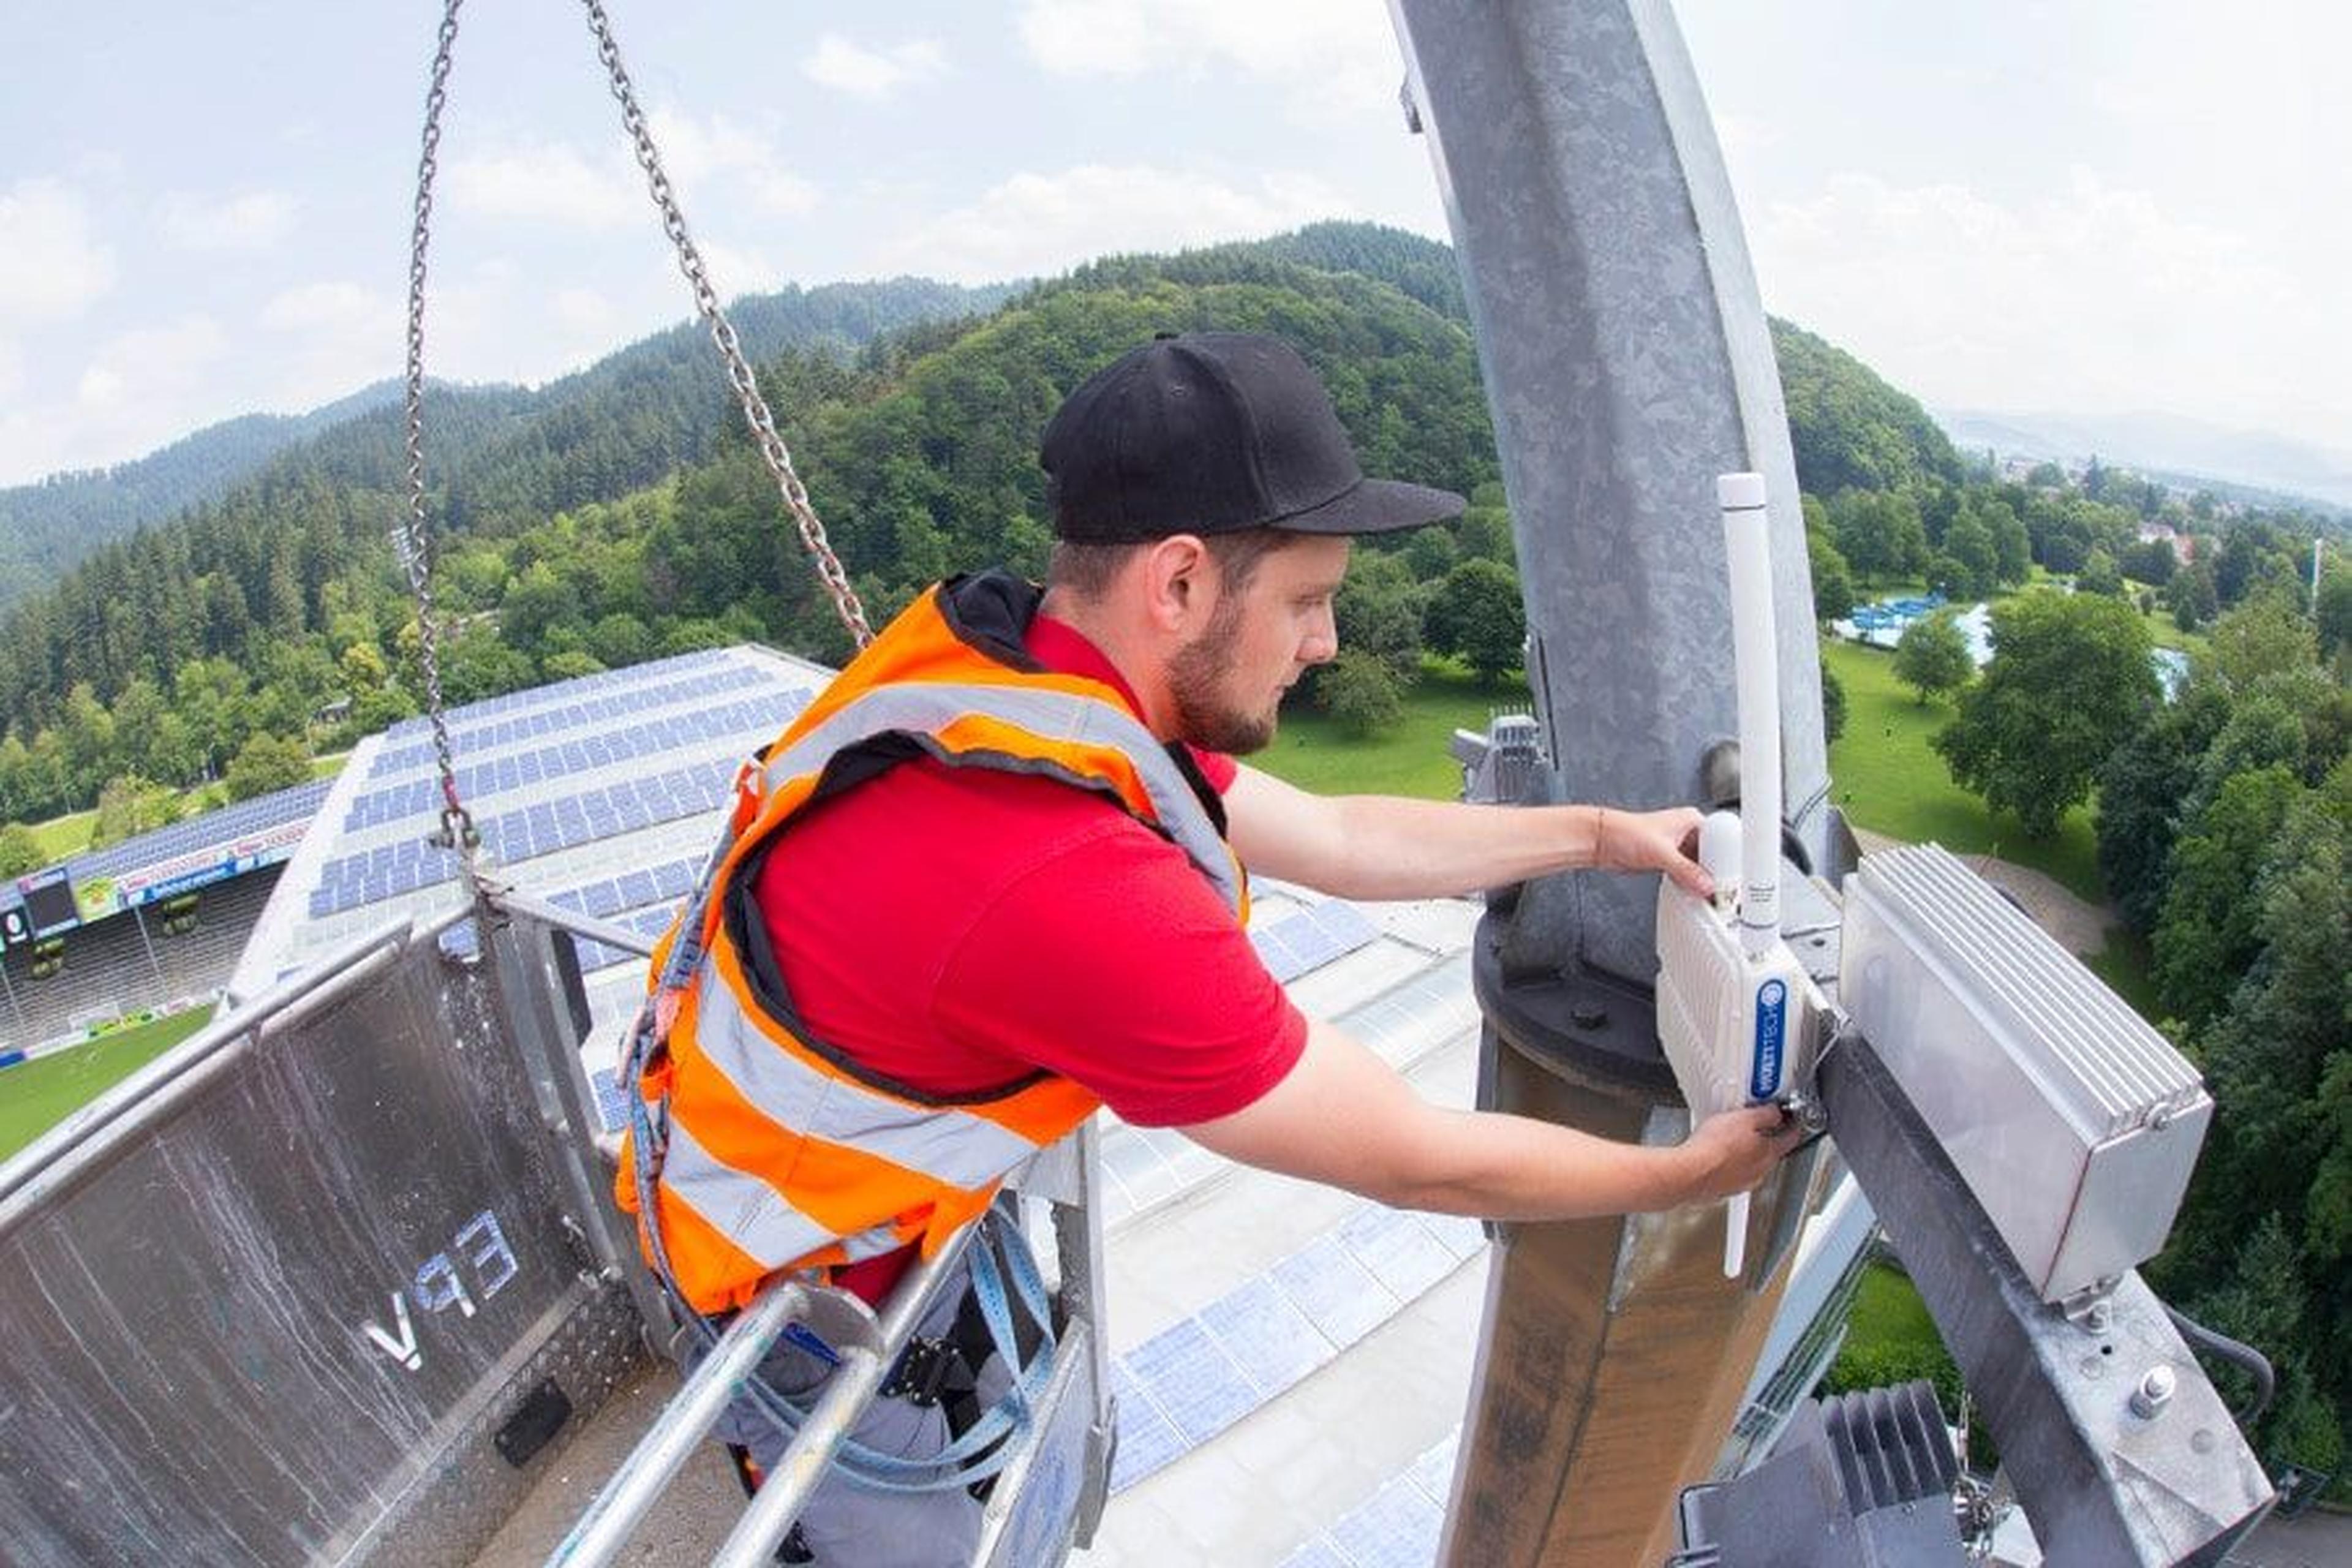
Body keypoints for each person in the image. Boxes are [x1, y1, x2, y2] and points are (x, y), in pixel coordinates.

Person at [619, 330, 1801, 1564]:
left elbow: (1342, 835)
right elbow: (1416, 1158)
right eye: (1304, 599)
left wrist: (1605, 835)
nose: (1329, 640)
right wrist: (1684, 1175)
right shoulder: (1065, 879)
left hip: (806, 1166)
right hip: (799, 1292)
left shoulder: (1032, 663)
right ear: (1177, 584)